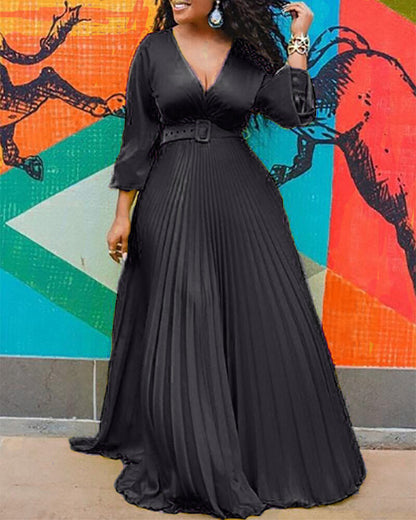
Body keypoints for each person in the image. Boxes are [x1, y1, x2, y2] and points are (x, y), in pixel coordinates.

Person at [69, 1, 367, 518]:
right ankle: (195, 460)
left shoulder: (247, 55)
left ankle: (263, 459)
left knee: (263, 320)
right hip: (172, 199)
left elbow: (296, 112)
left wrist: (299, 39)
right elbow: (138, 137)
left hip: (243, 202)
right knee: (185, 317)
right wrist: (122, 214)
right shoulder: (153, 51)